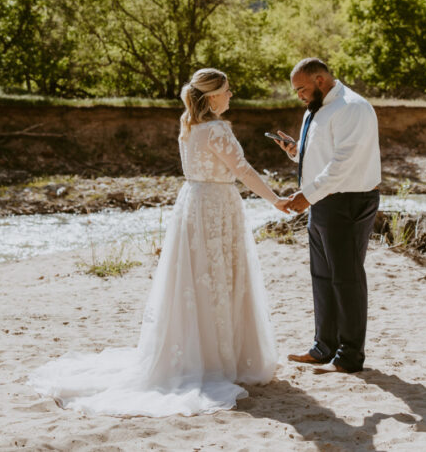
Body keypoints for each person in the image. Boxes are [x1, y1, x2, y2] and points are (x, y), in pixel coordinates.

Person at [30, 68, 290, 416]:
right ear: (212, 96)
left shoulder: (190, 127)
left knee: (197, 279)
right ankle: (220, 360)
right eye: (228, 90)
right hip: (215, 206)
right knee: (217, 279)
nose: (231, 96)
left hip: (195, 203)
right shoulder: (216, 129)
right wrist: (277, 200)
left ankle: (207, 355)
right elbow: (243, 171)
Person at [271, 58, 381, 374]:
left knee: (346, 278)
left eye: (302, 88)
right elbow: (323, 157)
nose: (299, 96)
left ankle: (349, 356)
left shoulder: (353, 108)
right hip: (323, 202)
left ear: (320, 79)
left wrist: (306, 195)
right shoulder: (315, 110)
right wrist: (296, 152)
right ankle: (323, 348)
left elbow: (343, 164)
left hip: (349, 201)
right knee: (322, 276)